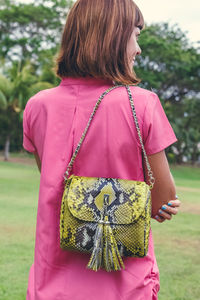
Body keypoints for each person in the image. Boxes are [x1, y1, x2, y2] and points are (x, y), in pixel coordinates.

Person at [23, 0, 181, 299]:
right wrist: (159, 204)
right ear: (114, 36)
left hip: (50, 286)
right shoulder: (143, 103)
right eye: (136, 35)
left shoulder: (37, 106)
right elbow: (163, 199)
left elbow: (57, 184)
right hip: (125, 286)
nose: (138, 49)